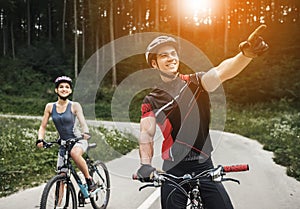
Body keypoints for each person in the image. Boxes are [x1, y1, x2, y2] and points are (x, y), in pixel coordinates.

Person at [136, 25, 268, 209]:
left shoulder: (196, 82)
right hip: (173, 169)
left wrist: (245, 55)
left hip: (203, 164)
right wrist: (145, 164)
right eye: (163, 55)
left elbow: (222, 71)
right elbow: (146, 134)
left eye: (173, 53)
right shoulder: (151, 100)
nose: (170, 58)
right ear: (154, 64)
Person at [36, 75, 96, 192]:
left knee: (74, 153)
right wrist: (40, 139)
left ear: (70, 90)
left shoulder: (74, 105)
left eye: (67, 87)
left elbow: (83, 122)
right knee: (62, 175)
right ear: (56, 90)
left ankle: (89, 180)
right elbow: (43, 126)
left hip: (79, 139)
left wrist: (86, 132)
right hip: (64, 143)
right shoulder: (50, 107)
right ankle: (58, 205)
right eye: (61, 87)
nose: (64, 89)